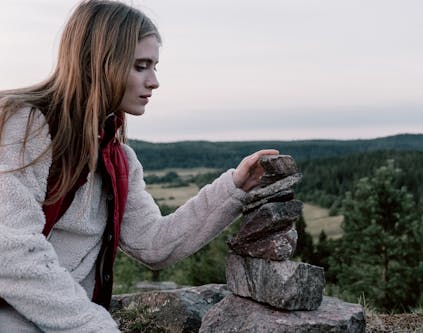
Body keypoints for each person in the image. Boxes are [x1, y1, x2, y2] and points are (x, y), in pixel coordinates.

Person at [0, 1, 277, 331]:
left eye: (155, 66)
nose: (154, 81)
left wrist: (234, 188)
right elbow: (11, 251)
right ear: (98, 63)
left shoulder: (119, 159)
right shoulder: (27, 125)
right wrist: (96, 326)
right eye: (141, 66)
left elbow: (154, 244)